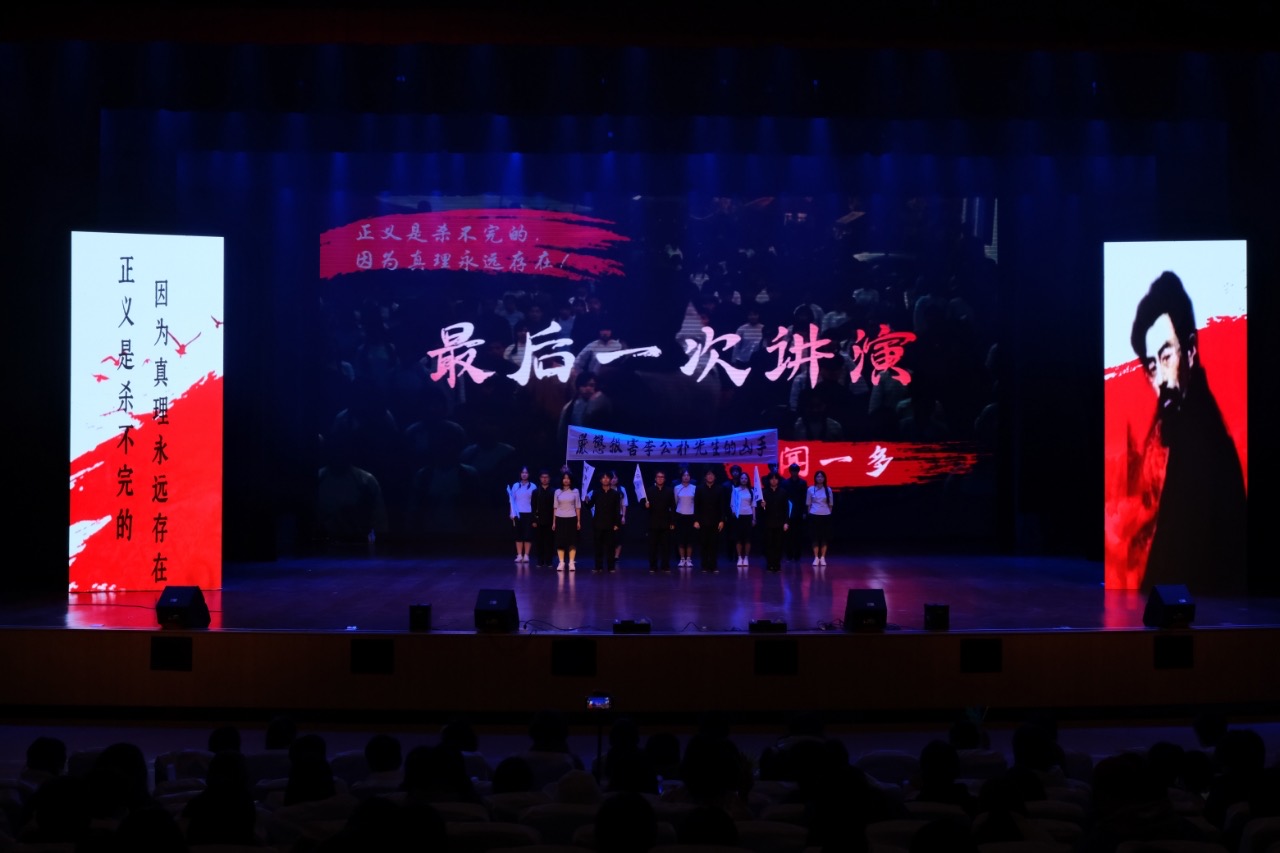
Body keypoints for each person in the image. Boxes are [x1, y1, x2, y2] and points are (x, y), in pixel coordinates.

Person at [1129, 271, 1247, 594]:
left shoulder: (1204, 445)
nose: (1160, 379)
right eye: (1151, 366)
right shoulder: (1181, 432)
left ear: (1191, 351)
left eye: (1166, 356)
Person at [586, 470, 623, 572]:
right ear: (600, 480)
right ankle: (598, 566)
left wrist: (617, 523)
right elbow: (589, 506)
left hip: (610, 524)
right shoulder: (596, 493)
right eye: (603, 478)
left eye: (607, 478)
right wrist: (586, 501)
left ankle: (611, 567)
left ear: (610, 480)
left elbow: (617, 510)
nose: (605, 479)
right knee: (598, 546)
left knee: (610, 546)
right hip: (598, 523)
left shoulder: (615, 494)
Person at [693, 468, 725, 573]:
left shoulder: (720, 489)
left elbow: (722, 506)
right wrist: (696, 520)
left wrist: (722, 520)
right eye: (708, 474)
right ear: (705, 477)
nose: (710, 476)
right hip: (702, 521)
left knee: (714, 544)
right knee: (704, 544)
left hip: (716, 521)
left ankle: (713, 565)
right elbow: (696, 505)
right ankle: (704, 565)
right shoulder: (699, 488)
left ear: (715, 477)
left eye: (712, 475)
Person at [644, 469, 676, 572]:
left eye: (662, 477)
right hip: (653, 523)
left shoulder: (669, 491)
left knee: (666, 546)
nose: (660, 479)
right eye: (658, 477)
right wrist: (645, 505)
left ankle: (665, 566)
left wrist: (672, 522)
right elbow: (643, 506)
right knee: (653, 546)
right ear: (655, 478)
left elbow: (673, 507)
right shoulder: (649, 490)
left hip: (666, 523)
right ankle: (653, 566)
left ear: (664, 479)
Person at [758, 471, 790, 572]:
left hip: (780, 522)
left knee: (778, 544)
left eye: (776, 478)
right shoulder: (764, 493)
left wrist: (786, 522)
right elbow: (760, 511)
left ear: (778, 480)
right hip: (768, 522)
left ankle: (777, 564)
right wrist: (762, 506)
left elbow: (786, 508)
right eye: (772, 478)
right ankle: (770, 564)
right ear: (769, 480)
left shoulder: (783, 492)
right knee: (769, 544)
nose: (774, 480)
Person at [552, 471, 581, 571]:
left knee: (572, 541)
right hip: (560, 518)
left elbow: (578, 507)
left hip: (572, 518)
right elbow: (555, 507)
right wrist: (554, 522)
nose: (566, 480)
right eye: (564, 478)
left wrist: (578, 521)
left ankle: (571, 562)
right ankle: (561, 562)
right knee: (560, 541)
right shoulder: (557, 491)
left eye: (568, 478)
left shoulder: (575, 491)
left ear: (571, 480)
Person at [508, 466, 536, 562]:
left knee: (528, 535)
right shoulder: (515, 485)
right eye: (522, 472)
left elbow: (535, 502)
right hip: (517, 514)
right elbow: (512, 500)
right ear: (520, 474)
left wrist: (535, 515)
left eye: (526, 473)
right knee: (518, 534)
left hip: (529, 513)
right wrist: (511, 513)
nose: (524, 474)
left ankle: (526, 555)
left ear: (529, 474)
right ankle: (519, 555)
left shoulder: (533, 486)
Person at [530, 468, 557, 568]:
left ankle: (549, 561)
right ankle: (540, 561)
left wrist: (554, 521)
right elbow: (533, 507)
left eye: (546, 477)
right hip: (539, 520)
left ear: (549, 478)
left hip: (550, 520)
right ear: (540, 479)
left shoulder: (554, 491)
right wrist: (534, 520)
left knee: (550, 542)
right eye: (542, 477)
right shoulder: (536, 492)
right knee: (539, 542)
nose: (544, 479)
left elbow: (556, 507)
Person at [806, 469, 833, 566]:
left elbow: (831, 504)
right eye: (818, 476)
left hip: (825, 515)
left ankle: (823, 557)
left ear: (824, 478)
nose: (820, 478)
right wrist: (810, 514)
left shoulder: (828, 489)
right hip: (814, 515)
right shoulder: (810, 489)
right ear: (815, 478)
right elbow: (808, 504)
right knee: (815, 537)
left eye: (821, 476)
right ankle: (816, 557)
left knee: (824, 537)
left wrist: (828, 513)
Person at [729, 470, 756, 568]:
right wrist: (734, 511)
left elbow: (753, 505)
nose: (744, 480)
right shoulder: (735, 490)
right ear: (739, 479)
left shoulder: (751, 491)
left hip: (748, 516)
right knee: (738, 538)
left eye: (745, 478)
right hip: (738, 517)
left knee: (748, 539)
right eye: (742, 478)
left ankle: (746, 558)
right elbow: (732, 504)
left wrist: (754, 518)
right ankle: (740, 558)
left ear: (748, 480)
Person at [783, 462, 807, 564]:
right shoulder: (785, 483)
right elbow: (784, 498)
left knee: (798, 535)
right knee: (788, 535)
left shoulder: (802, 483)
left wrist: (804, 511)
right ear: (790, 471)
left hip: (799, 511)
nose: (794, 472)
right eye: (792, 470)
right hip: (788, 512)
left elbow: (804, 498)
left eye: (796, 470)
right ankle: (789, 555)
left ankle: (797, 556)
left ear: (798, 471)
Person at [673, 469, 697, 568]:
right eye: (684, 475)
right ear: (681, 477)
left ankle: (689, 559)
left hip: (691, 516)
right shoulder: (677, 488)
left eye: (688, 475)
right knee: (681, 539)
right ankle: (682, 559)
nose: (686, 477)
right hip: (680, 516)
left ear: (690, 477)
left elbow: (696, 503)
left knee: (690, 539)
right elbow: (675, 502)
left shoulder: (694, 488)